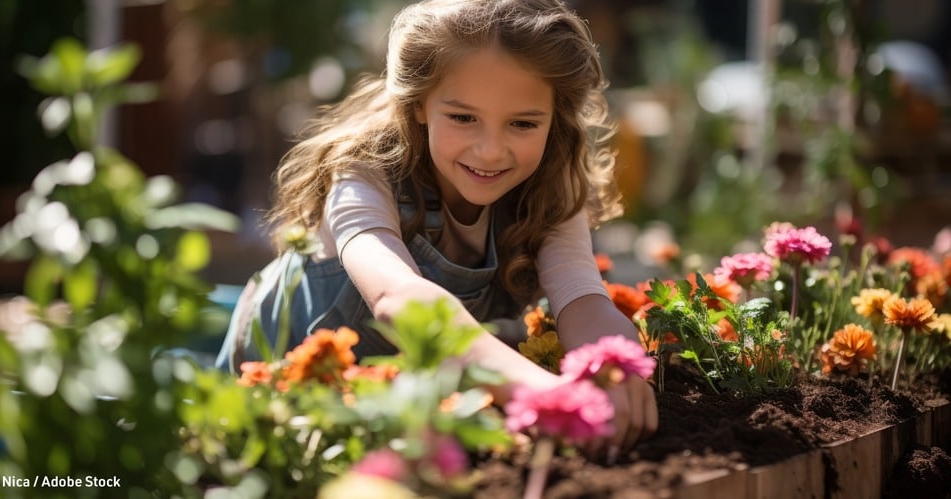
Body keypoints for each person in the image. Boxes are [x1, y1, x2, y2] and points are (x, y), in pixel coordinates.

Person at [215, 0, 657, 458]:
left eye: (523, 123)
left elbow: (582, 297)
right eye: (463, 118)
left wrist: (616, 368)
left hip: (395, 402)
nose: (490, 151)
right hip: (277, 385)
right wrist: (542, 391)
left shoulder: (549, 186)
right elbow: (399, 298)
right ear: (420, 103)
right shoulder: (363, 174)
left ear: (556, 118)